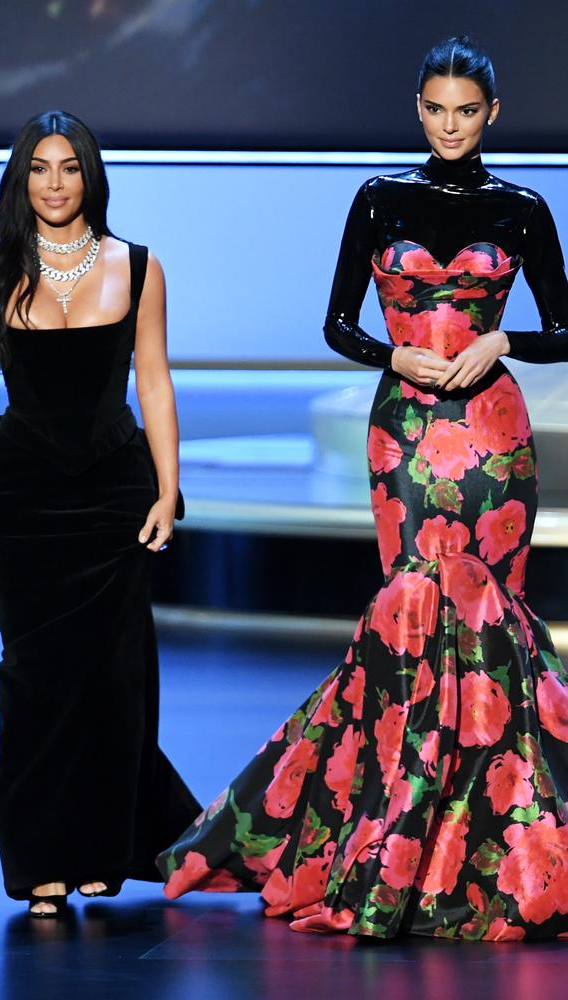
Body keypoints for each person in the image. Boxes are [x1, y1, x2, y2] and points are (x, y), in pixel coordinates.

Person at [156, 37, 568, 940]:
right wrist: (396, 352)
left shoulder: (525, 209)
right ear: (418, 108)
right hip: (407, 432)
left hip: (493, 436)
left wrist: (502, 343)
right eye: (435, 109)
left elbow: (567, 327)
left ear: (491, 115)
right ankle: (393, 836)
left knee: (490, 621)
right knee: (411, 612)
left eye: (466, 111)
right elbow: (338, 320)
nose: (450, 125)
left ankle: (491, 848)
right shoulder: (379, 199)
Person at [0, 110, 200, 917]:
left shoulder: (139, 267)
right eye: (38, 168)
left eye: (68, 167)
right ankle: (42, 858)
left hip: (114, 489)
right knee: (36, 678)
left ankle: (104, 850)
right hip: (16, 500)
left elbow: (153, 380)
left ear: (90, 176)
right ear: (20, 179)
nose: (53, 183)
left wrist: (166, 485)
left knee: (113, 680)